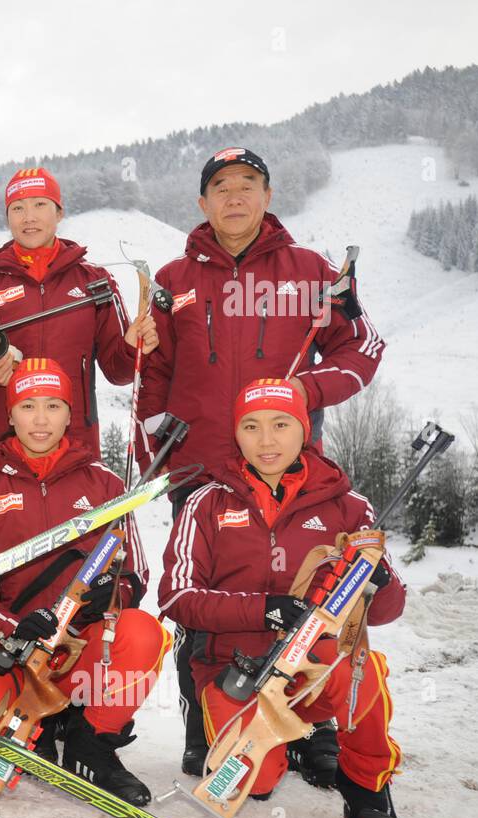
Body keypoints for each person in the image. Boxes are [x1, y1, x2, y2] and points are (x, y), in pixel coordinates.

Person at [136, 147, 385, 772]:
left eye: (248, 184)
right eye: (220, 187)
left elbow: (364, 346)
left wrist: (308, 391)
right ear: (202, 203)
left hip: (290, 474)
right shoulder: (173, 280)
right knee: (205, 602)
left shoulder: (311, 270)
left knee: (308, 593)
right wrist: (155, 451)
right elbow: (153, 376)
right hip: (198, 472)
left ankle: (313, 728)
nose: (234, 196)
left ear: (268, 196)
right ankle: (208, 720)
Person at [159, 379, 406, 818]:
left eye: (280, 424)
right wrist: (263, 609)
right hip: (235, 670)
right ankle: (284, 747)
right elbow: (175, 597)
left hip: (313, 669)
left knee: (361, 670)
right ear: (236, 433)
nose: (266, 440)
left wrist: (380, 585)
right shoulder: (205, 502)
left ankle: (368, 789)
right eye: (251, 426)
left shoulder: (349, 507)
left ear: (305, 429)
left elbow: (389, 612)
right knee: (253, 782)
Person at [0, 359, 168, 804]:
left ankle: (90, 741)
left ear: (70, 415)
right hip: (13, 650)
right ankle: (44, 722)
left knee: (142, 632)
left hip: (80, 644)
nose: (40, 419)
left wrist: (109, 598)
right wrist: (11, 627)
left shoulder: (105, 483)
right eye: (28, 405)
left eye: (53, 406)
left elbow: (136, 573)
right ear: (10, 414)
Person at [0, 168, 154, 469]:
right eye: (18, 208)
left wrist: (131, 346)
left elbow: (119, 372)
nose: (28, 217)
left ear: (60, 213)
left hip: (75, 447)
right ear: (7, 218)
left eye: (40, 205)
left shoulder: (96, 282)